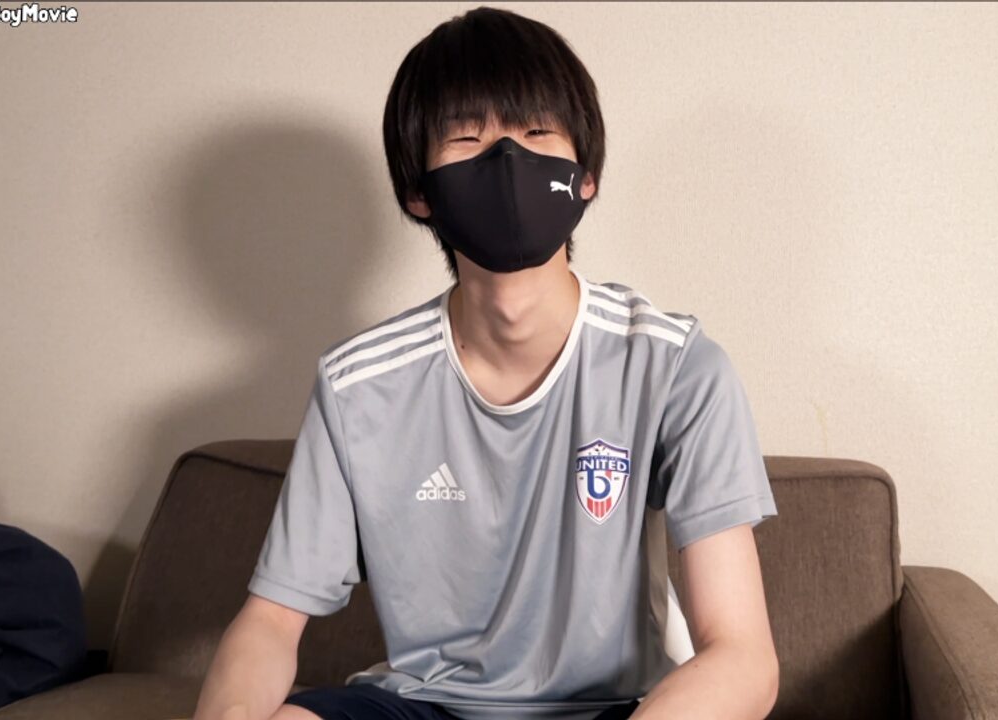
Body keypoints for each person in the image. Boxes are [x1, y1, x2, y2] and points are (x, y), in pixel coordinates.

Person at [193, 6, 780, 720]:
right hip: (425, 705)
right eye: (467, 138)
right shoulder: (357, 386)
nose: (507, 161)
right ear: (419, 192)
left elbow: (743, 657)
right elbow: (269, 622)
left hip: (613, 708)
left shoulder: (675, 367)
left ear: (586, 175)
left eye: (536, 134)